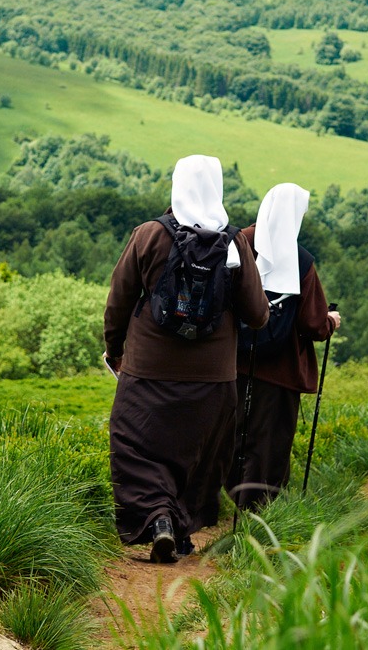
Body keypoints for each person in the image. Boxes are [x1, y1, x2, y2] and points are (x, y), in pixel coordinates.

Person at [103, 155, 269, 563]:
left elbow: (119, 300)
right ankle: (179, 531)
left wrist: (115, 349)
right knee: (198, 457)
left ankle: (158, 519)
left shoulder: (148, 235)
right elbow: (257, 315)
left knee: (137, 448)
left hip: (148, 370)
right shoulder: (235, 243)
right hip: (213, 380)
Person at [228, 183, 340, 511]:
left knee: (233, 434)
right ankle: (258, 513)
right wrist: (331, 321)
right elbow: (312, 323)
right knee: (269, 444)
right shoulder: (299, 260)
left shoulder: (238, 244)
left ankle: (228, 496)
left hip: (232, 361)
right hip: (280, 371)